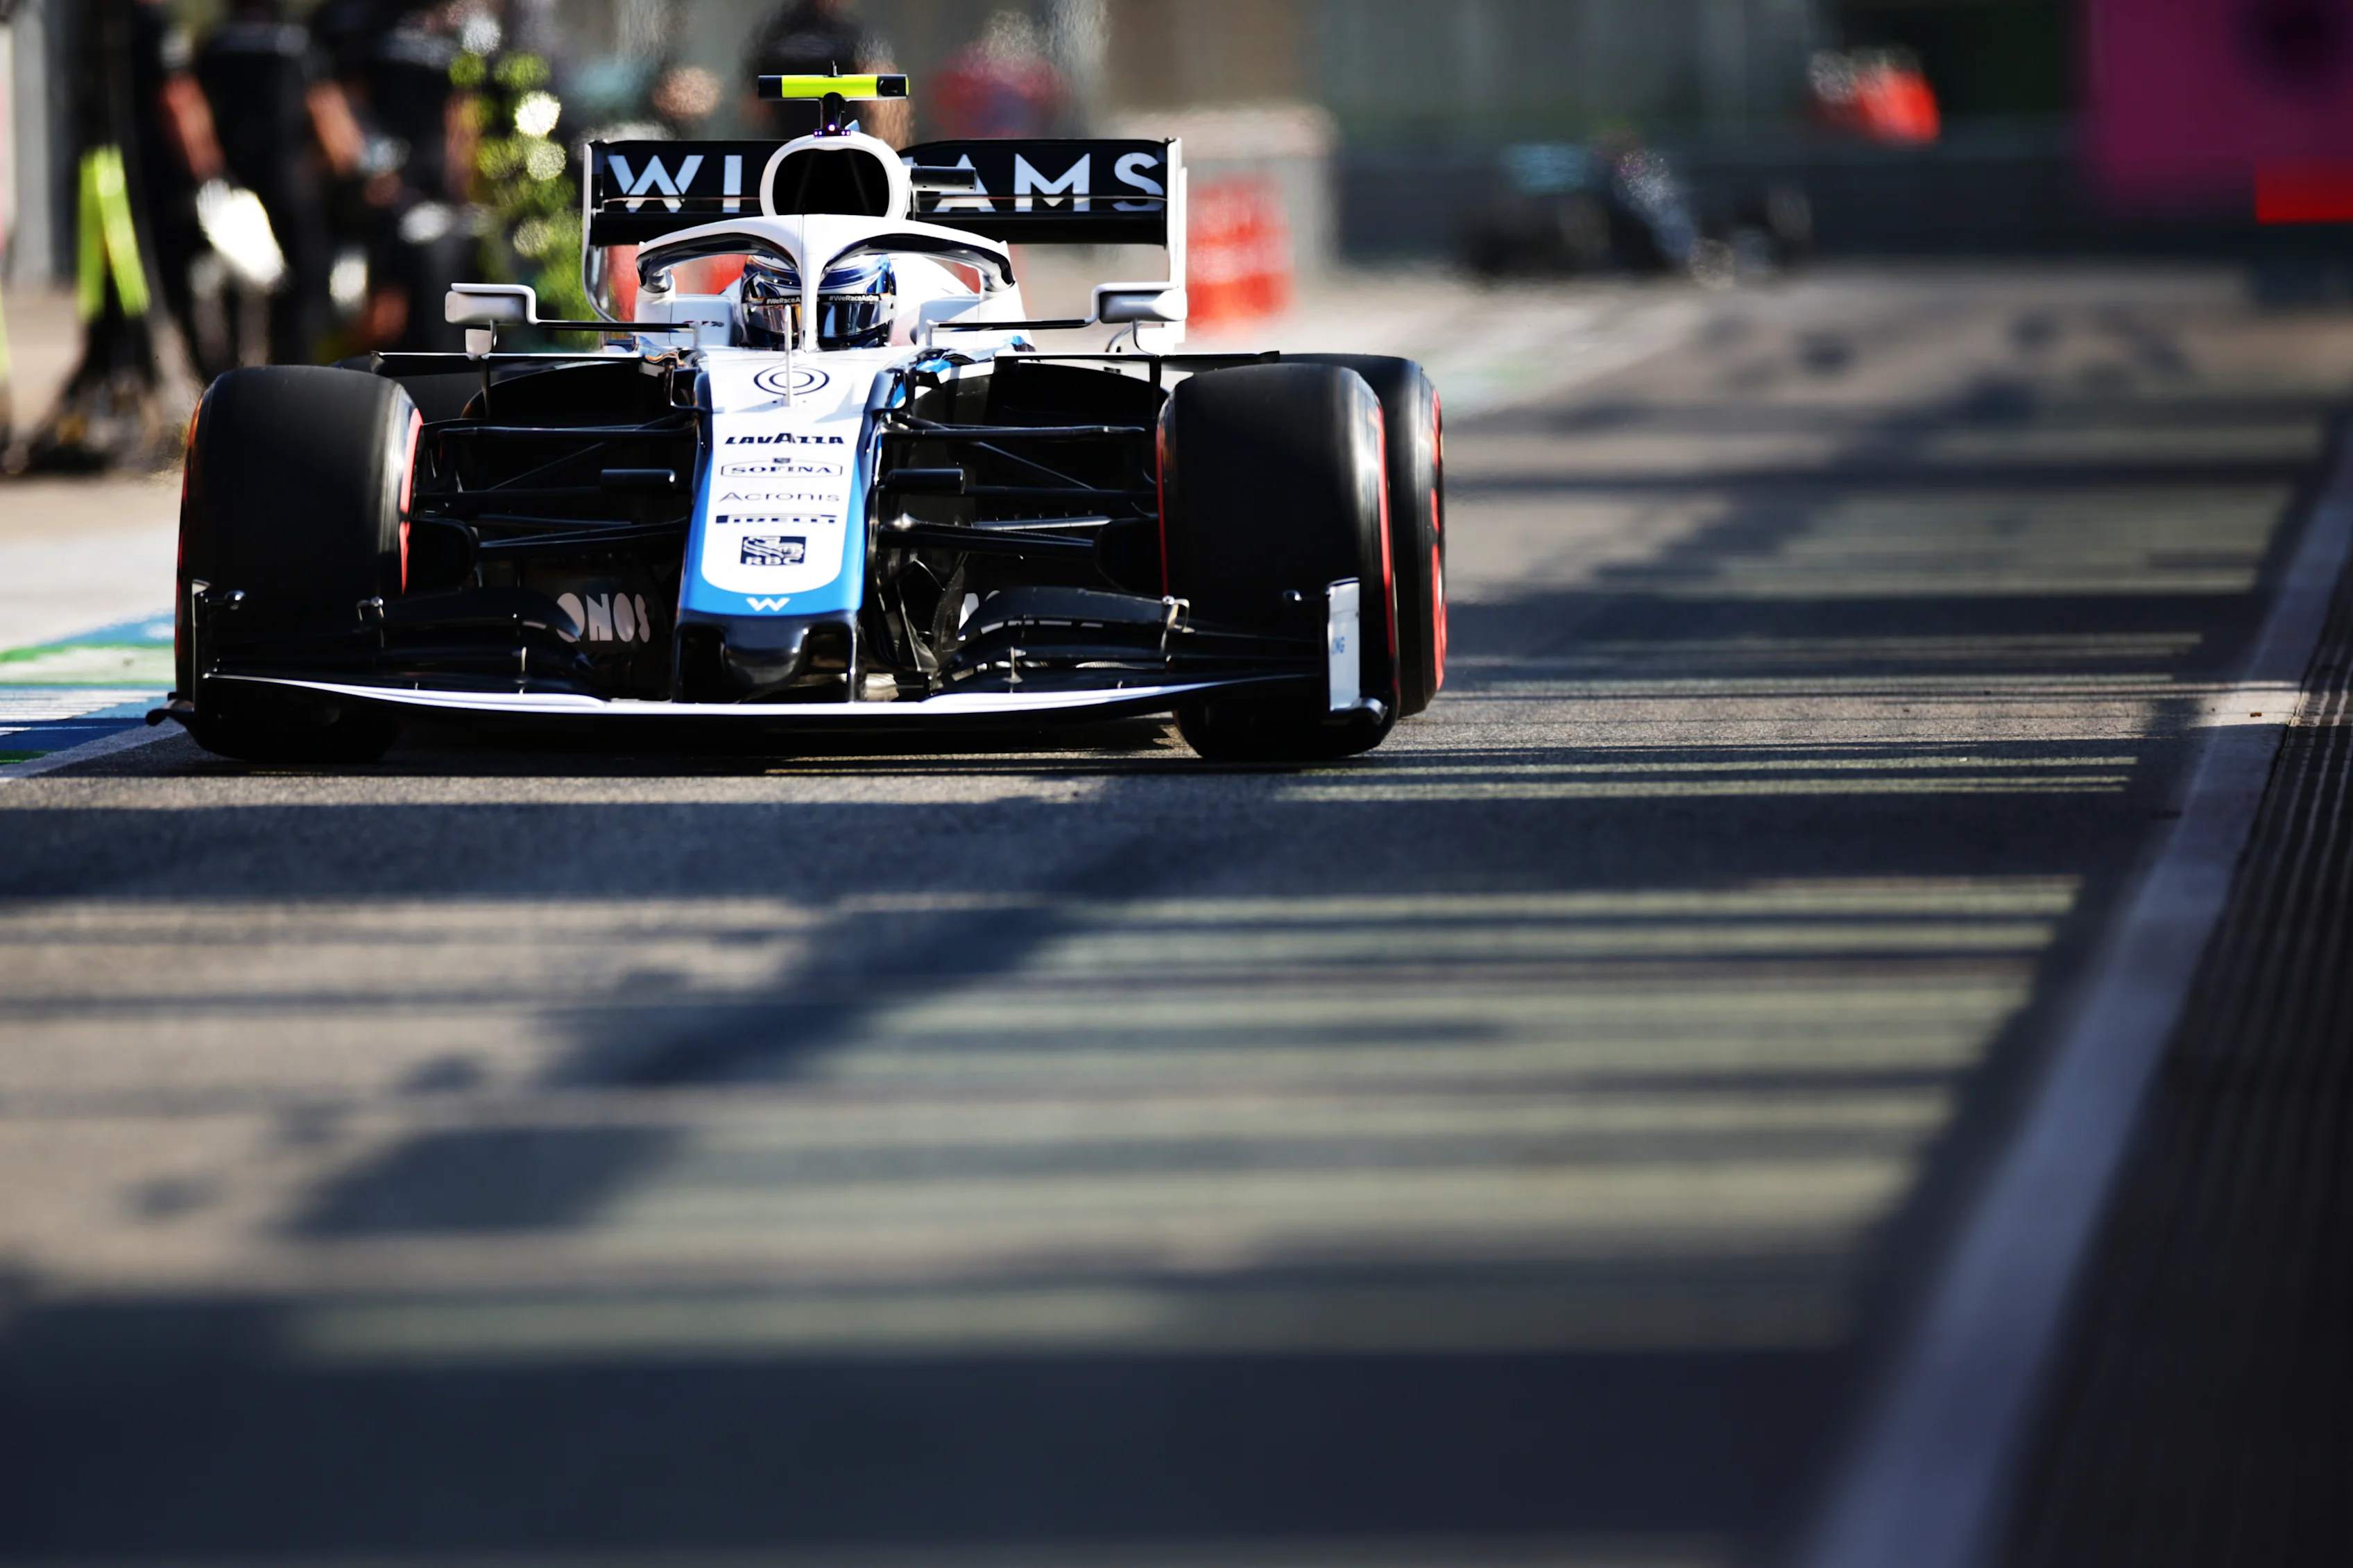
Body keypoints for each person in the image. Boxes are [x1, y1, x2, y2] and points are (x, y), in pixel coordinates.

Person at [196, 0, 345, 367]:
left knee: (233, 284)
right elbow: (324, 110)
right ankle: (292, 367)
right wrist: (337, 169)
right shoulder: (297, 42)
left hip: (234, 182)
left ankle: (229, 371)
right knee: (301, 282)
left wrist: (208, 169)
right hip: (289, 178)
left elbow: (199, 110)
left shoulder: (216, 44)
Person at [744, 0, 909, 146]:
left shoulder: (856, 36)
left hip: (847, 143)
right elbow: (756, 104)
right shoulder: (779, 34)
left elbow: (882, 104)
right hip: (792, 143)